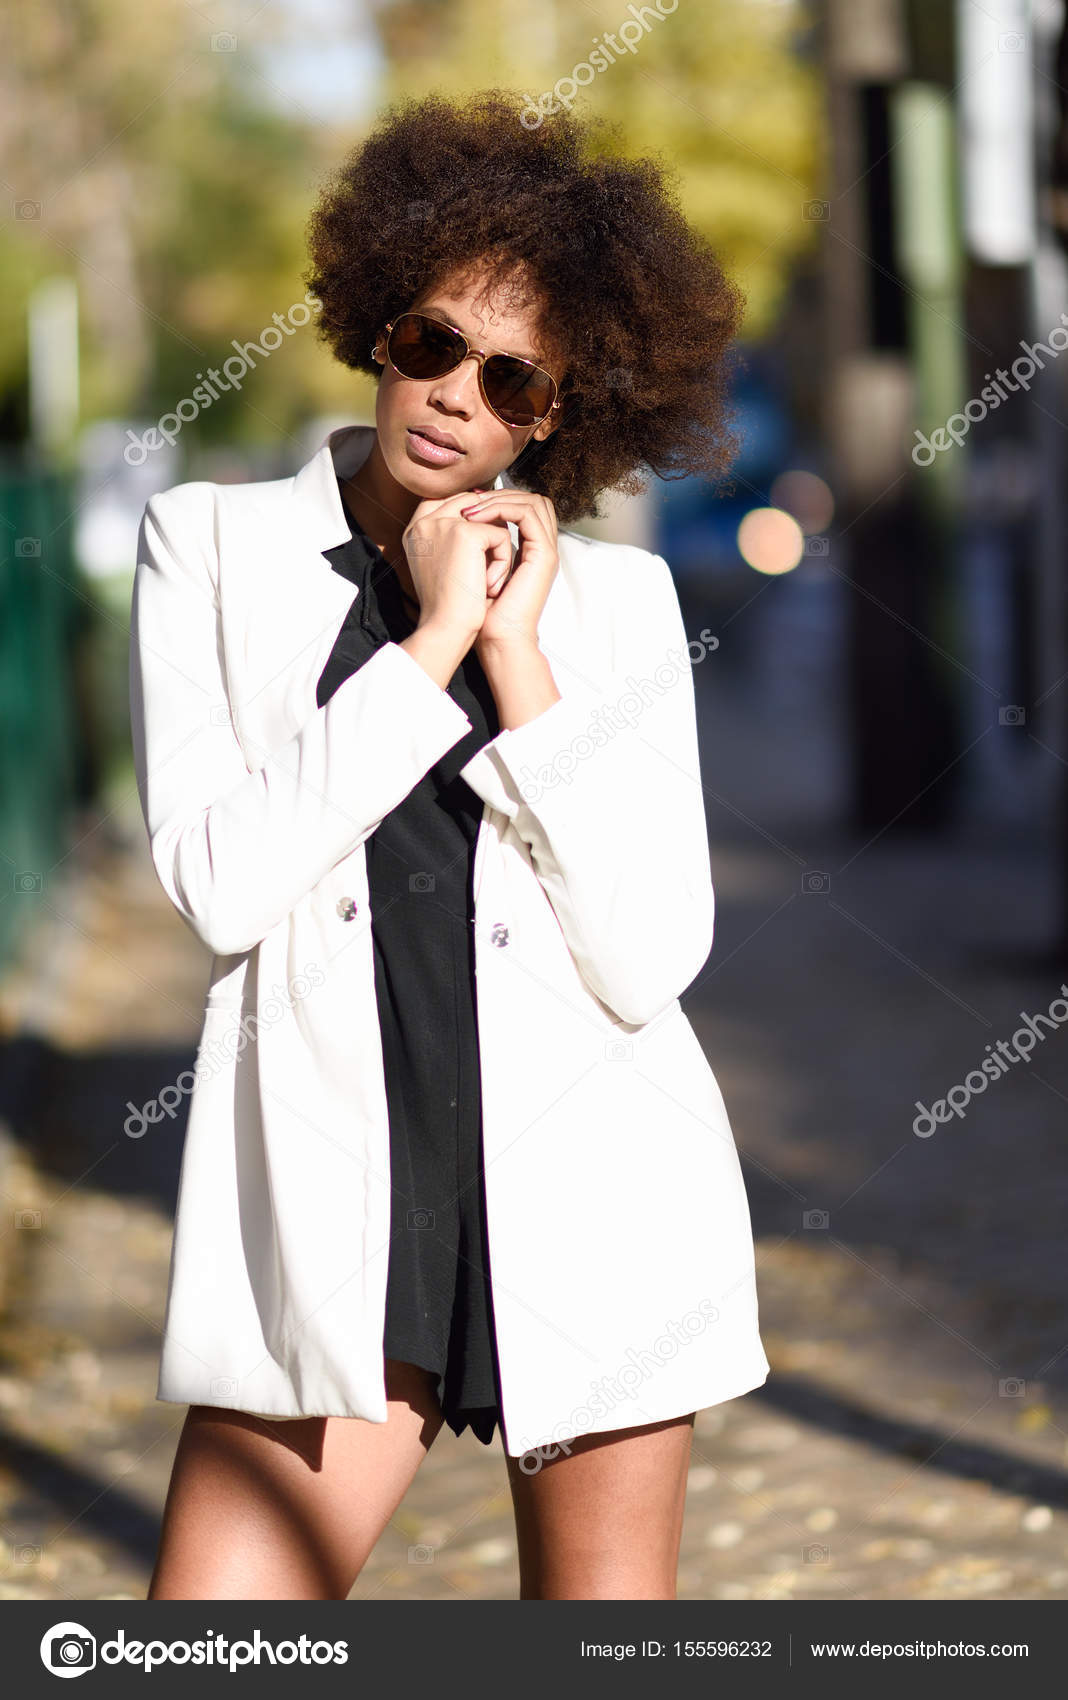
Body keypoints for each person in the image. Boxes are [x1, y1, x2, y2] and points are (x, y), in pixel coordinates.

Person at [134, 87, 768, 1602]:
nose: (453, 396)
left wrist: (523, 659)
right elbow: (220, 886)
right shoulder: (214, 553)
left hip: (600, 1197)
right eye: (430, 342)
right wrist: (429, 646)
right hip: (339, 1210)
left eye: (508, 378)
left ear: (555, 413)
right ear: (373, 323)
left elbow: (650, 953)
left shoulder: (614, 609)